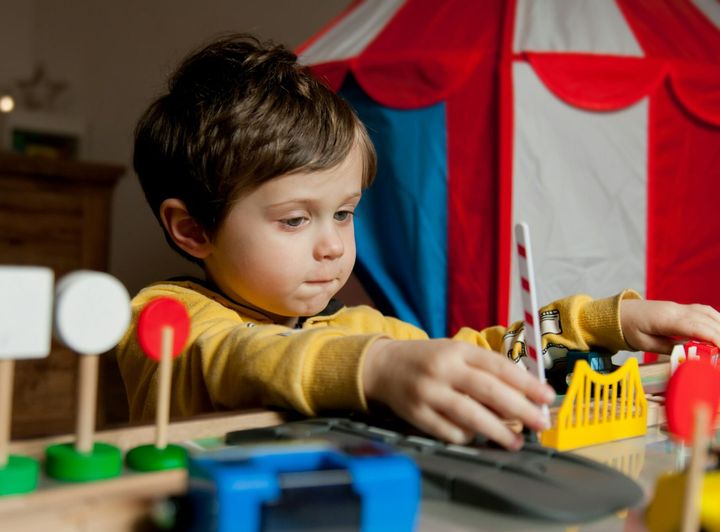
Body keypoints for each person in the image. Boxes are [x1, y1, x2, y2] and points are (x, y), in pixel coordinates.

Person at [116, 34, 720, 450]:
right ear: (193, 229)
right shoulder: (167, 321)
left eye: (345, 214)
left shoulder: (358, 328)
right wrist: (379, 367)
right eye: (296, 220)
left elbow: (488, 355)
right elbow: (245, 358)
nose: (332, 246)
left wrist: (606, 322)